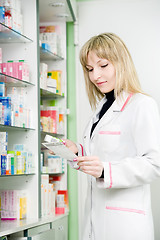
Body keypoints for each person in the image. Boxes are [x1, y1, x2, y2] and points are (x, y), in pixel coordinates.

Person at [65, 33, 160, 240]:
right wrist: (77, 151)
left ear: (121, 63)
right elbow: (106, 152)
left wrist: (105, 171)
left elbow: (154, 164)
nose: (95, 76)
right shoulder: (103, 106)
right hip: (95, 216)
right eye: (90, 69)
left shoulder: (141, 104)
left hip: (125, 224)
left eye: (103, 65)